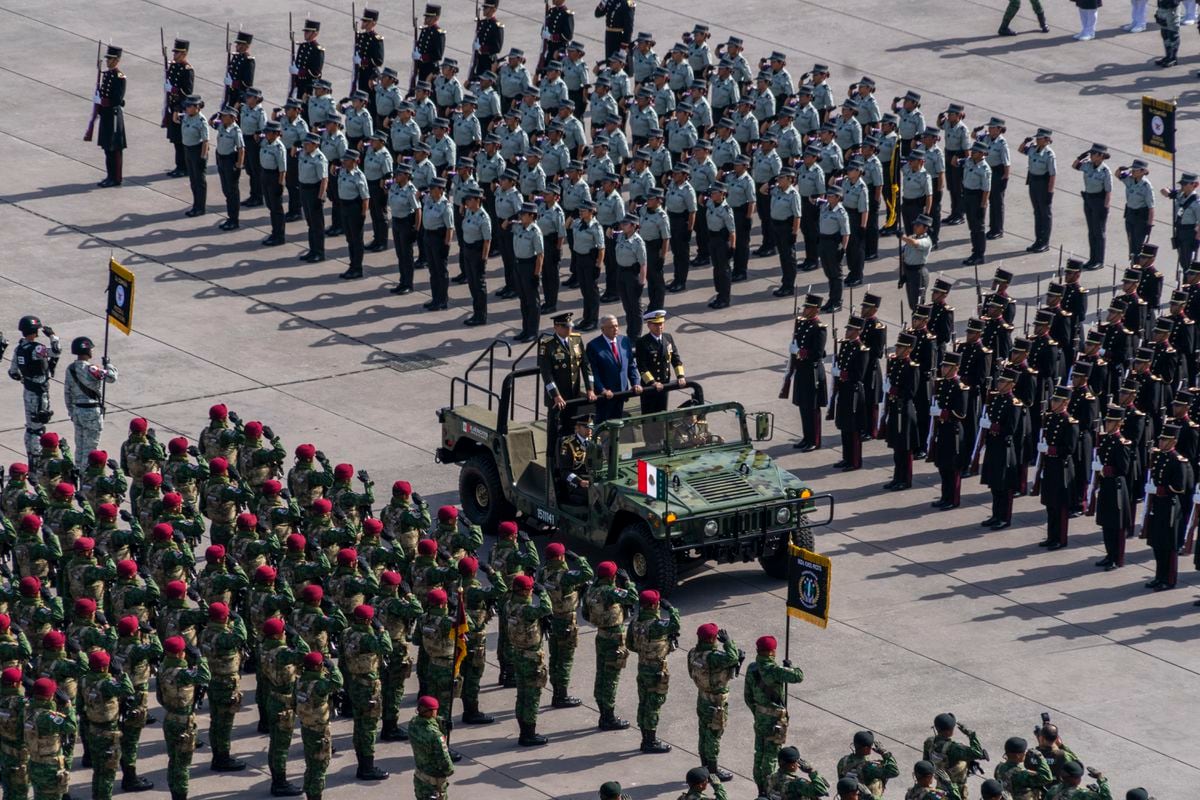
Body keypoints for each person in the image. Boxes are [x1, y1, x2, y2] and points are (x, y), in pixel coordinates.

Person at [743, 635, 804, 796]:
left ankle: (760, 788)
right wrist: (789, 667)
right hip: (776, 721)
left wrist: (758, 713)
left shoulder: (752, 668)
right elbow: (799, 676)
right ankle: (768, 790)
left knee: (759, 754)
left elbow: (748, 696)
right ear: (772, 651)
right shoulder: (775, 671)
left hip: (760, 717)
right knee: (771, 756)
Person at [584, 561, 637, 732]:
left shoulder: (591, 590)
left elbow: (585, 613)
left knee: (602, 675)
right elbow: (633, 597)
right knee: (611, 678)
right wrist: (628, 582)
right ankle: (608, 717)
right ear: (612, 577)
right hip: (613, 639)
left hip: (601, 636)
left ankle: (603, 713)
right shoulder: (610, 592)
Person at [686, 623, 741, 782]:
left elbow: (692, 673)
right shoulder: (713, 656)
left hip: (702, 697)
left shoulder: (693, 653)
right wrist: (728, 642)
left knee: (703, 732)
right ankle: (713, 771)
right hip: (716, 701)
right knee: (714, 735)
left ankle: (704, 766)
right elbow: (732, 657)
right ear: (712, 638)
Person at [158, 636, 209, 800]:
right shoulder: (182, 674)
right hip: (183, 723)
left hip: (169, 718)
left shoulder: (163, 668)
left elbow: (160, 697)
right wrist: (201, 658)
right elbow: (205, 676)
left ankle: (175, 794)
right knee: (183, 765)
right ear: (181, 654)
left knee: (173, 760)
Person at [80, 650, 134, 800]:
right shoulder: (107, 684)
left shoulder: (84, 680)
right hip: (108, 733)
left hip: (92, 730)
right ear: (105, 668)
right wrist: (121, 673)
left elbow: (80, 708)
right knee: (108, 774)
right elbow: (128, 690)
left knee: (98, 770)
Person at [9, 316, 61, 465]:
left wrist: (27, 377)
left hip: (28, 391)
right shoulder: (36, 349)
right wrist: (52, 335)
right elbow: (56, 351)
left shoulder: (19, 348)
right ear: (34, 331)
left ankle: (31, 457)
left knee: (31, 427)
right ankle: (37, 461)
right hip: (39, 393)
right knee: (38, 427)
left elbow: (13, 372)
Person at [62, 337, 117, 471]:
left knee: (79, 446)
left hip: (77, 411)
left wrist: (71, 411)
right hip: (91, 412)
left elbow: (67, 392)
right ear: (86, 350)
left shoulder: (70, 368)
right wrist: (108, 365)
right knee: (90, 447)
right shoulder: (92, 369)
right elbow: (111, 377)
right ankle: (87, 475)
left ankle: (79, 472)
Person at [1144, 423, 1187, 590]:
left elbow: (1179, 486)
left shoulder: (1178, 460)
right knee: (1157, 543)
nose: (1161, 442)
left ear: (1173, 441)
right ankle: (1159, 576)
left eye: (1165, 440)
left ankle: (1168, 579)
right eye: (1161, 439)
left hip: (1170, 506)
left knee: (1168, 545)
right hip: (1159, 504)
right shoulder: (1160, 457)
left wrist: (1160, 489)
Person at [296, 650, 342, 800]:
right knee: (320, 767)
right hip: (319, 730)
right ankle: (315, 795)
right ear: (317, 667)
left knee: (311, 763)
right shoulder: (319, 685)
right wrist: (332, 667)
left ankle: (310, 793)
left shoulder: (300, 681)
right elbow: (338, 682)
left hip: (306, 727)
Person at [1038, 386, 1080, 550]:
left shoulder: (1070, 422)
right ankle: (1051, 536)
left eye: (1056, 400)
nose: (1052, 402)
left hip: (1062, 467)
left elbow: (1070, 448)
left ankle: (1060, 538)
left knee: (1060, 506)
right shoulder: (1050, 418)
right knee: (1050, 504)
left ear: (1065, 402)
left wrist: (1050, 450)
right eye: (1053, 399)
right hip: (1050, 465)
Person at [586, 315, 642, 423]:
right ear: (603, 329)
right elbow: (593, 372)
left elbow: (631, 365)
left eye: (616, 326)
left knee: (617, 425)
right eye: (611, 327)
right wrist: (602, 389)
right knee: (603, 426)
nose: (615, 329)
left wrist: (636, 382)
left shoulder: (624, 340)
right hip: (605, 397)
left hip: (621, 393)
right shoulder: (593, 346)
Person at [884, 332, 921, 491]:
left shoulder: (911, 368)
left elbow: (911, 392)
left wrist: (894, 390)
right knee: (896, 447)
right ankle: (896, 477)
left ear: (908, 349)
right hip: (894, 409)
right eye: (897, 346)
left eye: (900, 347)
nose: (897, 349)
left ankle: (905, 479)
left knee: (905, 448)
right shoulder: (895, 363)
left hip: (904, 411)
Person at [923, 713, 988, 800]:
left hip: (941, 785)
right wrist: (971, 734)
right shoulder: (953, 748)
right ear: (949, 731)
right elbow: (978, 753)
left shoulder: (929, 742)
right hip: (957, 788)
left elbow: (926, 763)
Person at [635, 310, 685, 418]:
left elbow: (675, 359)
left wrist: (680, 376)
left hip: (664, 384)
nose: (659, 327)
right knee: (649, 416)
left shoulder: (668, 338)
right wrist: (653, 383)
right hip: (650, 387)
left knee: (662, 414)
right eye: (656, 324)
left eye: (661, 323)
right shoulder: (642, 342)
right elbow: (642, 367)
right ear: (649, 325)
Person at [1072, 143, 1112, 270]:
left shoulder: (1106, 171)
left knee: (1099, 232)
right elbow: (1075, 166)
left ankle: (1099, 260)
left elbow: (1108, 191)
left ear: (1100, 156)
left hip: (1099, 202)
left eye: (1093, 154)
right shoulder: (1088, 165)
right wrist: (1080, 157)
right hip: (1088, 199)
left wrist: (1105, 208)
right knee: (1091, 232)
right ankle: (1092, 258)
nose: (1091, 156)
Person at [512, 202, 546, 342]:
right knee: (523, 300)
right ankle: (525, 329)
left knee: (532, 301)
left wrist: (536, 274)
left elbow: (540, 255)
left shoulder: (535, 231)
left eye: (523, 214)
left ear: (531, 216)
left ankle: (532, 331)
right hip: (519, 265)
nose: (520, 216)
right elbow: (503, 225)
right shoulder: (519, 227)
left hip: (529, 266)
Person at [95, 45, 127, 188]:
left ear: (117, 60)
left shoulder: (119, 77)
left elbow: (118, 99)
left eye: (111, 59)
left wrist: (103, 101)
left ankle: (116, 177)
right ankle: (110, 175)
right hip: (106, 114)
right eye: (108, 59)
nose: (108, 61)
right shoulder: (106, 74)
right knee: (107, 148)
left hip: (113, 115)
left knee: (114, 148)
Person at [410, 696, 454, 800]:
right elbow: (445, 761)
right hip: (434, 782)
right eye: (435, 710)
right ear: (430, 712)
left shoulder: (413, 724)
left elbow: (426, 721)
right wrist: (449, 770)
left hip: (420, 778)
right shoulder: (435, 735)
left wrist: (441, 721)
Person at [336, 150, 371, 280]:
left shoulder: (359, 176)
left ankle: (357, 268)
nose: (343, 162)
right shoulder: (342, 171)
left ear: (354, 161)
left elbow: (365, 198)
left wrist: (362, 215)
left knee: (357, 240)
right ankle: (352, 265)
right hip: (344, 207)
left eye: (346, 160)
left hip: (354, 209)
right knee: (350, 239)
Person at [422, 177, 455, 311]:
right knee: (432, 270)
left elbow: (450, 228)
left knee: (441, 271)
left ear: (440, 190)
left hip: (439, 239)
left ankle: (442, 300)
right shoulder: (429, 200)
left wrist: (446, 245)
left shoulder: (445, 206)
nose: (430, 190)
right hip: (428, 236)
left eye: (433, 188)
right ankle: (435, 298)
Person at [298, 132, 329, 263]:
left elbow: (324, 179)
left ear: (315, 145)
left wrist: (320, 197)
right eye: (304, 143)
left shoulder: (320, 158)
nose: (305, 145)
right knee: (310, 223)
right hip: (304, 190)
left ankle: (319, 252)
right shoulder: (303, 153)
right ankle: (312, 250)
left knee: (317, 225)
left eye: (307, 143)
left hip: (314, 191)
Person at [178, 95, 210, 217]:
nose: (186, 108)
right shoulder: (186, 116)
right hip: (188, 150)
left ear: (197, 107)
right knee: (193, 181)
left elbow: (206, 141)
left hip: (197, 151)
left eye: (189, 106)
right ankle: (195, 205)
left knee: (199, 181)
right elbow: (177, 119)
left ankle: (200, 207)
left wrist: (203, 157)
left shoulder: (201, 121)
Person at [960, 142, 992, 266]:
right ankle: (975, 252)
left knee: (978, 228)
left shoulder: (984, 169)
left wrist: (982, 206)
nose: (972, 153)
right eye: (972, 151)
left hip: (977, 198)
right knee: (972, 227)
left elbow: (986, 189)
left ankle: (979, 255)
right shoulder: (969, 161)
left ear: (982, 154)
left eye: (975, 152)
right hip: (967, 195)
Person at [1117, 160, 1155, 261]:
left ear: (1143, 171)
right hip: (1130, 215)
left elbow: (1151, 208)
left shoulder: (1146, 186)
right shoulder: (1130, 179)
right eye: (1132, 169)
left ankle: (1138, 267)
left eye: (1135, 170)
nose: (1133, 171)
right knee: (1131, 242)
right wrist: (1120, 169)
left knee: (1139, 244)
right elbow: (1118, 175)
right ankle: (1132, 264)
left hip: (1140, 218)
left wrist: (1149, 225)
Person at [214, 107, 245, 230]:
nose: (221, 117)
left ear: (232, 118)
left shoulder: (236, 131)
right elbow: (212, 122)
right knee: (226, 190)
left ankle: (234, 220)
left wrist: (238, 166)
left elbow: (241, 149)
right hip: (221, 160)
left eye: (224, 115)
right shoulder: (222, 126)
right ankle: (230, 217)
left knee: (232, 192)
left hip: (230, 161)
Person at [558, 416, 596, 503]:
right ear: (577, 428)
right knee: (597, 495)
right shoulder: (568, 444)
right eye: (586, 427)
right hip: (577, 483)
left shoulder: (595, 441)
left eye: (591, 427)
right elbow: (564, 472)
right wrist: (579, 481)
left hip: (594, 479)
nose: (589, 430)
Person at [900, 215, 934, 312]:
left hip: (918, 274)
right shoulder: (912, 237)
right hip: (909, 272)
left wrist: (902, 237)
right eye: (915, 224)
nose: (915, 227)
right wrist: (903, 274)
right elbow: (904, 256)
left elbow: (915, 243)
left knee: (918, 305)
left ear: (925, 228)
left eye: (918, 225)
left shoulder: (926, 241)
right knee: (912, 304)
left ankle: (919, 325)